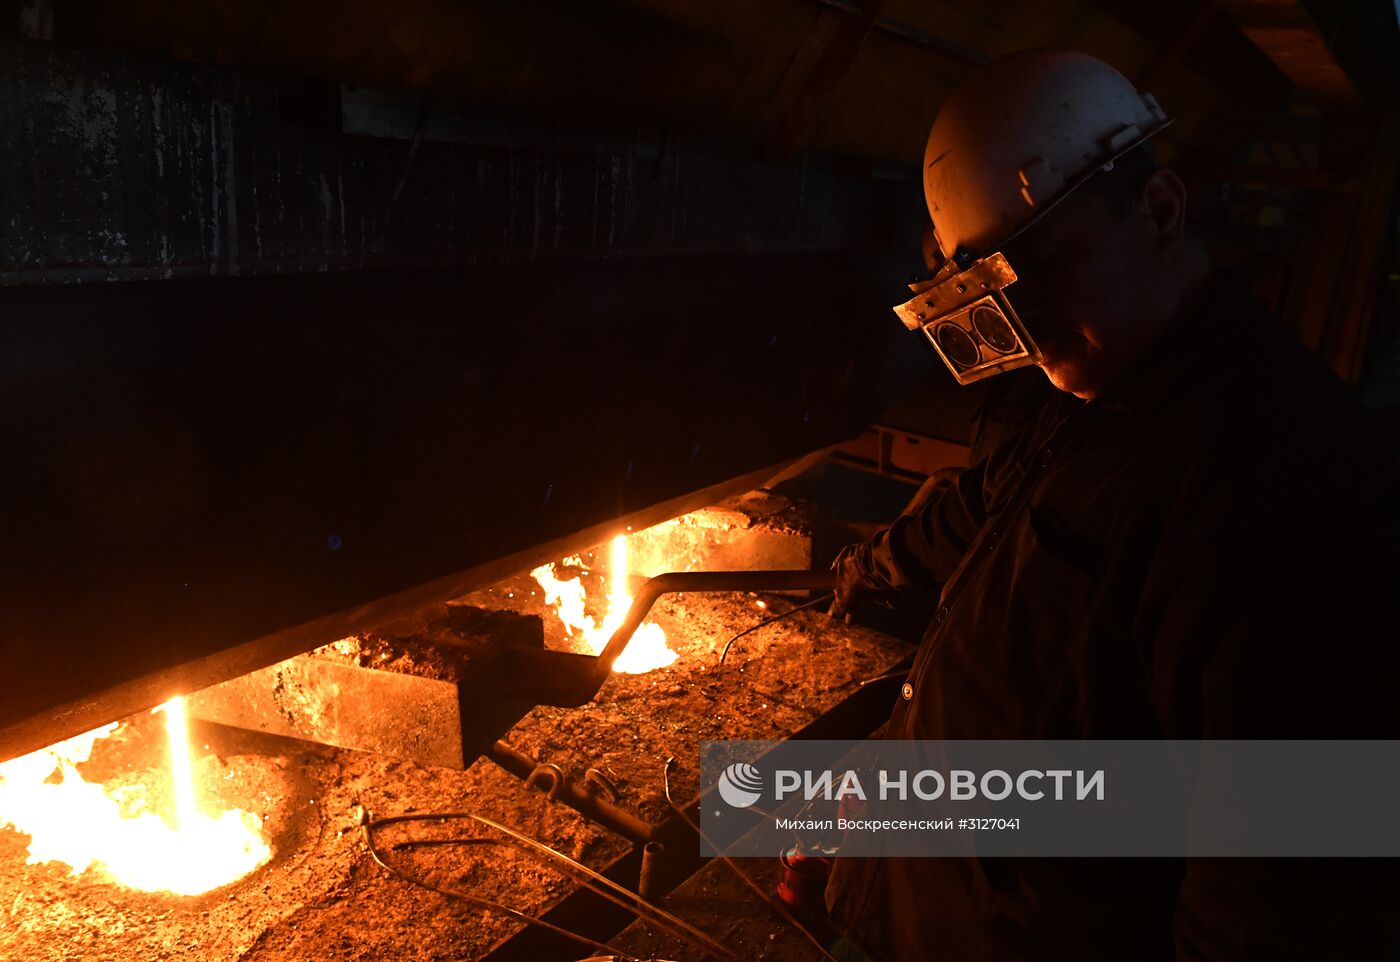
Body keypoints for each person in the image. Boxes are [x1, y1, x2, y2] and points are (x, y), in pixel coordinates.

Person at [823, 49, 1400, 960]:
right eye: (996, 293)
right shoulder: (1107, 386)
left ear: (1159, 210)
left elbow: (1276, 899)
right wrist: (865, 567)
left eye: (1044, 267)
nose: (1028, 324)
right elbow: (993, 507)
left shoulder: (1294, 489)